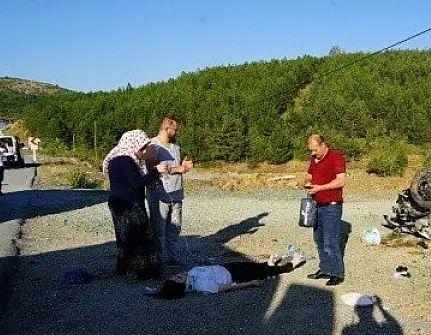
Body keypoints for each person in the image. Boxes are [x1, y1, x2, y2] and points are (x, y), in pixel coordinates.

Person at [103, 130, 168, 281]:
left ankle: (124, 267)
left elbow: (131, 181)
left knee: (125, 236)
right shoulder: (125, 160)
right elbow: (136, 183)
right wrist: (155, 171)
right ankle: (138, 271)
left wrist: (150, 178)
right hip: (128, 204)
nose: (143, 151)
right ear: (133, 144)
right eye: (142, 148)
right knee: (138, 237)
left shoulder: (115, 158)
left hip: (119, 202)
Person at [147, 117, 194, 272]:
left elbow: (178, 167)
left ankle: (172, 258)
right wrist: (177, 169)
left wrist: (184, 166)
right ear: (166, 128)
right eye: (175, 129)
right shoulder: (152, 146)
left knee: (175, 228)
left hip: (177, 193)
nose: (177, 132)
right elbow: (151, 171)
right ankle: (159, 263)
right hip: (160, 194)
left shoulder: (176, 146)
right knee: (159, 229)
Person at [154, 252, 306, 299]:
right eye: (179, 278)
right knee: (261, 273)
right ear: (182, 286)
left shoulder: (190, 274)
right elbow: (225, 288)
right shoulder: (200, 286)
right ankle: (291, 266)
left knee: (253, 265)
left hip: (226, 267)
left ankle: (268, 265)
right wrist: (249, 284)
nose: (180, 274)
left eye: (176, 275)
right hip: (233, 276)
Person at [304, 134, 347, 286]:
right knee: (319, 239)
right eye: (311, 150)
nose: (312, 153)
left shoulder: (336, 157)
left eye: (315, 150)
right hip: (317, 205)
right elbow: (309, 175)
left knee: (331, 241)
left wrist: (320, 187)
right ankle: (325, 269)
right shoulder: (314, 159)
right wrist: (309, 183)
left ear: (323, 145)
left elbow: (341, 180)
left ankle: (337, 273)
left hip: (332, 206)